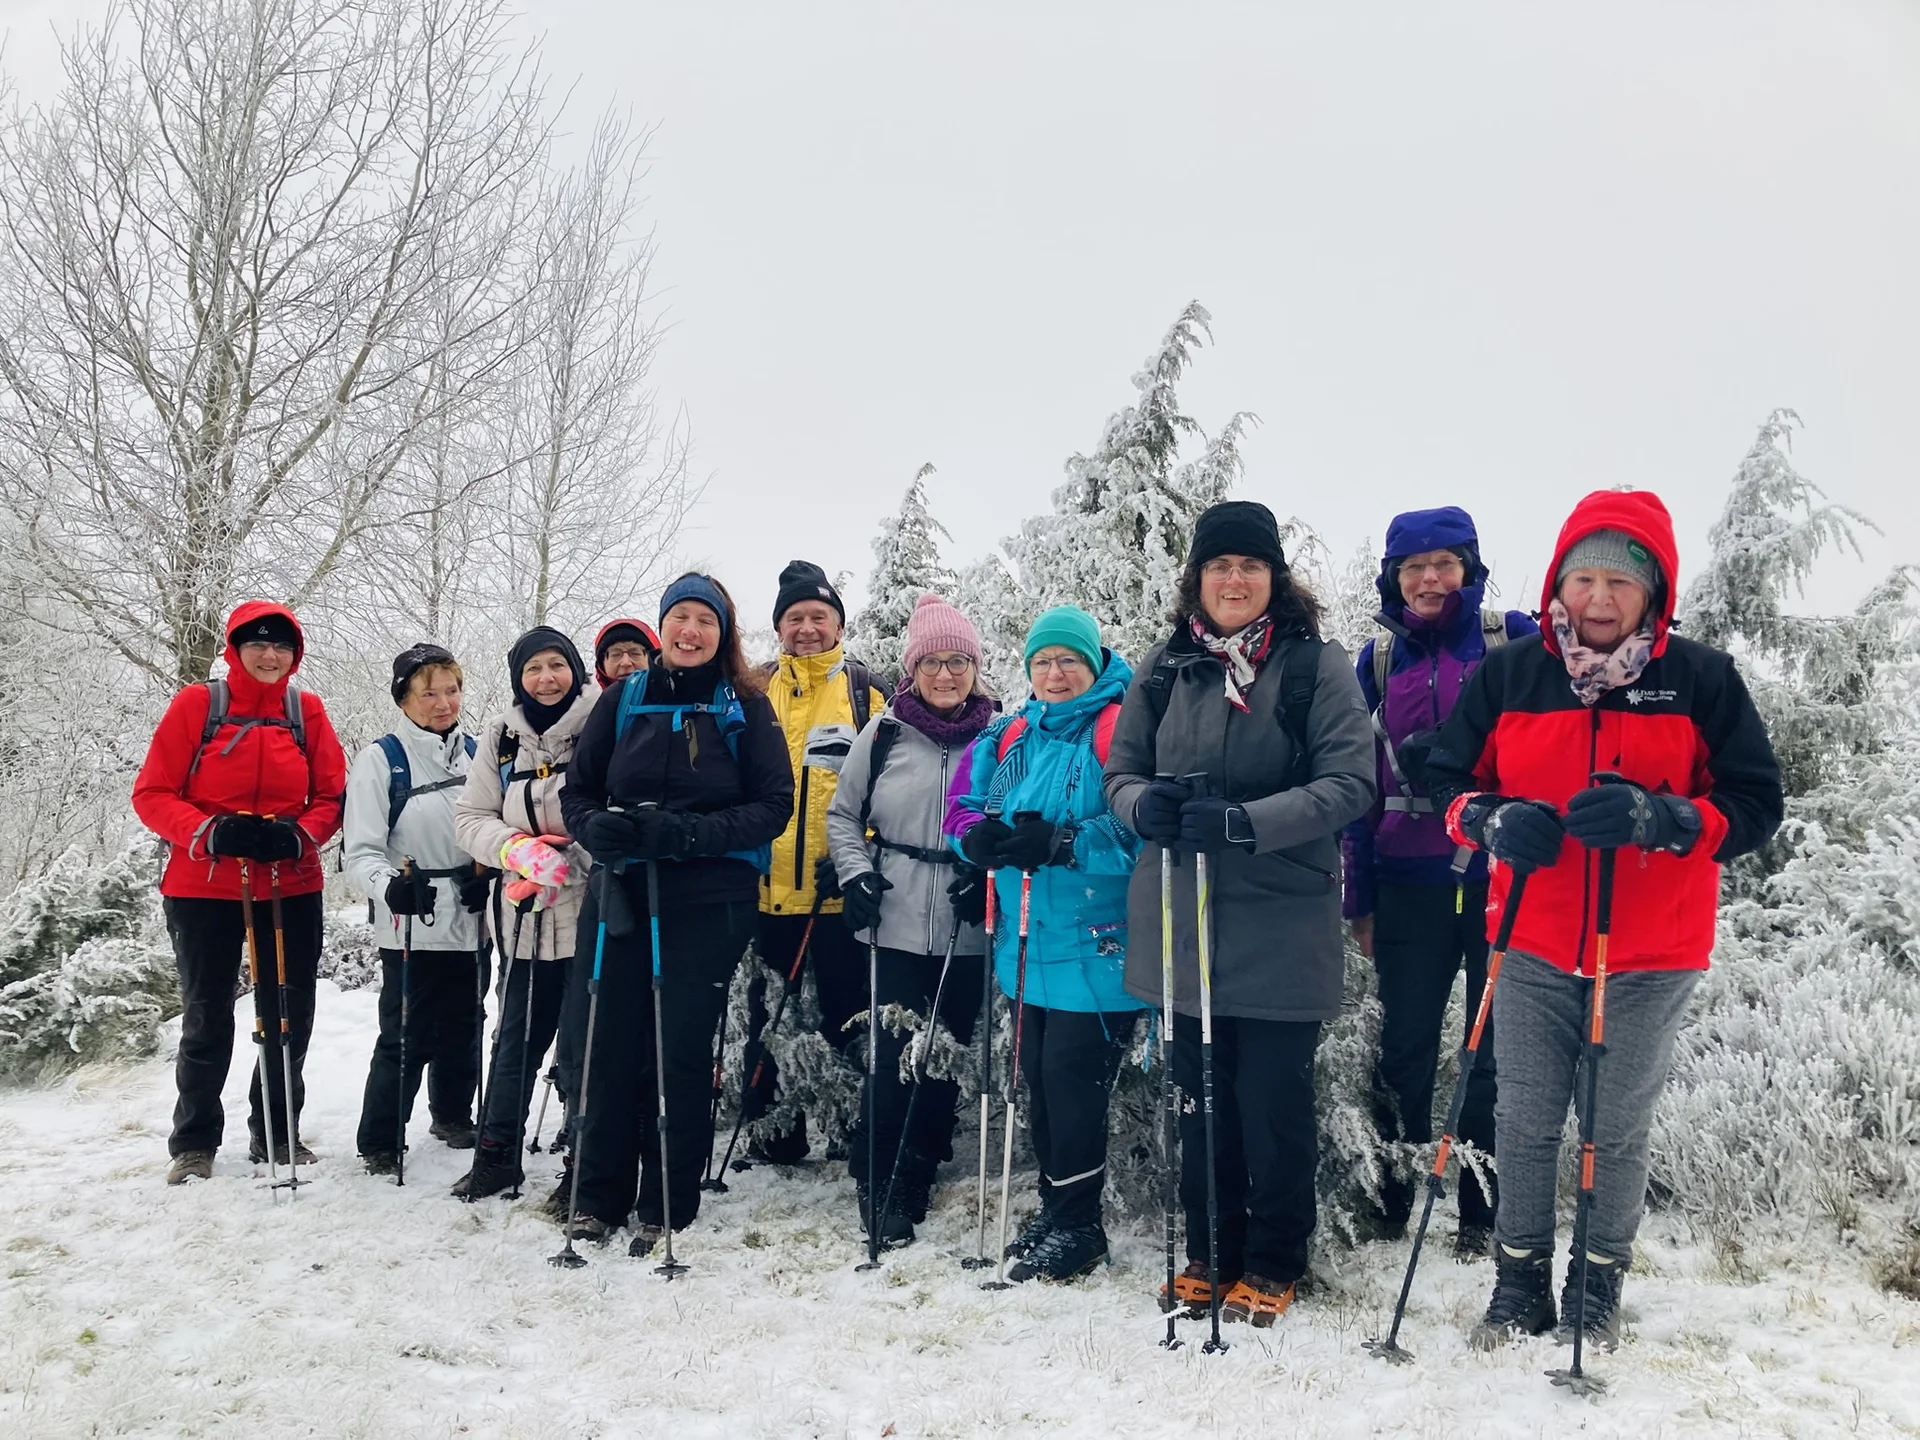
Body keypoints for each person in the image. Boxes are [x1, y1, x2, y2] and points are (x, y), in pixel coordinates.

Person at [1423, 490, 1782, 1352]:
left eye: (1620, 582)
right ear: (1559, 582)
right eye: (1582, 576)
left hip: (1651, 947)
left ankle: (1596, 1286)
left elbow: (1756, 803)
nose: (1598, 598)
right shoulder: (1512, 673)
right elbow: (1446, 781)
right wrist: (1491, 819)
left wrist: (1667, 821)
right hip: (1532, 937)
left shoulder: (1701, 678)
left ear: (1654, 592)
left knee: (1615, 1125)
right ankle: (1518, 1284)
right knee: (1524, 1116)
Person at [1104, 500, 1375, 1324]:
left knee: (1271, 1107)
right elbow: (1122, 772)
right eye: (1219, 566)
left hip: (1279, 923)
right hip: (1182, 920)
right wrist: (1141, 806)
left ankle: (1274, 1258)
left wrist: (1248, 823)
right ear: (1198, 577)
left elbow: (1353, 782)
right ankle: (1208, 1252)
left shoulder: (1313, 666)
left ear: (1274, 579)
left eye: (1250, 567)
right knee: (1198, 1102)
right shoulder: (1166, 667)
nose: (1233, 580)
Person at [560, 573, 794, 1254]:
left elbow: (772, 806)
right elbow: (581, 791)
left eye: (705, 621)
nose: (690, 631)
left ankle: (667, 1199)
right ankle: (597, 1195)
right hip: (624, 888)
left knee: (678, 1048)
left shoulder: (745, 704)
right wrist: (594, 829)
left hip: (708, 898)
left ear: (723, 634)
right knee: (608, 1042)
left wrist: (692, 835)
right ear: (664, 625)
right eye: (680, 618)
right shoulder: (625, 697)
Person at [1341, 508, 1539, 1256]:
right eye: (1412, 567)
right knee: (1403, 1049)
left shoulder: (1511, 639)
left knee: (1488, 1053)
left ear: (1469, 568)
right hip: (1407, 882)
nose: (1428, 578)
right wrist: (1358, 898)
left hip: (1498, 879)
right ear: (1392, 577)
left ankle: (1480, 1212)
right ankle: (1394, 1195)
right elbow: (1356, 788)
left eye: (1444, 563)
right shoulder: (1377, 664)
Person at [944, 604, 1147, 1282]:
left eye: (1068, 660)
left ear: (1092, 664)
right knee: (1038, 1077)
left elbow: (1144, 832)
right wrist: (973, 839)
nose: (1055, 673)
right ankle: (1058, 1211)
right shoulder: (1009, 735)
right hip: (1025, 945)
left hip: (1100, 946)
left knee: (1073, 1081)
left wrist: (1066, 843)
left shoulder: (1122, 731)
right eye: (1043, 662)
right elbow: (963, 805)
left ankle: (1081, 1226)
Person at [132, 602, 348, 1185]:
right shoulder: (199, 706)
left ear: (294, 654)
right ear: (234, 648)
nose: (270, 655)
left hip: (288, 882)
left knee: (289, 1009)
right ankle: (194, 1142)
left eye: (282, 645)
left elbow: (332, 795)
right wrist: (209, 830)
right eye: (257, 643)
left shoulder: (307, 713)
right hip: (204, 885)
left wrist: (299, 836)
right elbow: (152, 793)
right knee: (207, 1014)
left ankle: (276, 1132)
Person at [825, 593, 996, 1248]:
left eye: (959, 662)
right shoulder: (886, 731)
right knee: (896, 1052)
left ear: (975, 668)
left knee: (946, 1052)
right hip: (893, 912)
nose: (947, 674)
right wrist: (855, 873)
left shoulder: (999, 734)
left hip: (966, 921)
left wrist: (988, 873)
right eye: (933, 663)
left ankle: (921, 1160)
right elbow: (843, 815)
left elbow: (1009, 820)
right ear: (913, 670)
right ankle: (879, 1175)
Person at [745, 560, 889, 1162]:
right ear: (779, 627)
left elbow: (890, 785)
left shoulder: (866, 690)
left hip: (837, 891)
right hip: (764, 888)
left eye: (819, 616)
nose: (807, 628)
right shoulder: (751, 690)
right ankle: (775, 1130)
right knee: (766, 1016)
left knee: (845, 1010)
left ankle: (851, 1124)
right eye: (795, 617)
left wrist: (866, 847)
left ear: (837, 624)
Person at [452, 626, 596, 1200]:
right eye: (533, 668)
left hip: (591, 913)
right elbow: (470, 817)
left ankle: (585, 1163)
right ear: (518, 678)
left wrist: (574, 855)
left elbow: (618, 808)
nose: (546, 678)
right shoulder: (502, 736)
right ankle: (496, 1155)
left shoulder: (601, 724)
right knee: (515, 1040)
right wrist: (516, 850)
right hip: (523, 915)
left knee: (587, 1047)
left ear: (574, 670)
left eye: (556, 665)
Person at [344, 644, 495, 1173]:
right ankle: (381, 1140)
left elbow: (495, 826)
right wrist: (391, 889)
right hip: (411, 916)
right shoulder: (381, 759)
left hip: (472, 913)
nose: (443, 703)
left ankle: (452, 1114)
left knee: (465, 1021)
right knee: (406, 1031)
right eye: (427, 692)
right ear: (404, 699)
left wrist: (491, 875)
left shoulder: (480, 751)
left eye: (451, 690)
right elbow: (359, 853)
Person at [594, 618, 660, 687]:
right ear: (602, 664)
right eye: (616, 655)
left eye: (635, 654)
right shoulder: (587, 696)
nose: (626, 663)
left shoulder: (669, 695)